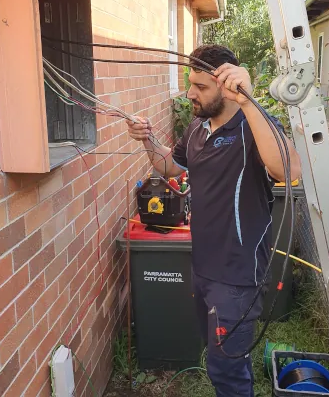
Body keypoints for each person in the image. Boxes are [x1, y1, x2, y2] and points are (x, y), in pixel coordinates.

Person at [126, 45, 301, 396]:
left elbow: (288, 170)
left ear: (226, 87)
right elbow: (171, 167)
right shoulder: (196, 129)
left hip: (236, 276)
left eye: (201, 86)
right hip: (203, 267)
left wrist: (251, 102)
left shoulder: (254, 126)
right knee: (224, 357)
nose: (190, 93)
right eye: (190, 83)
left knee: (226, 373)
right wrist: (147, 141)